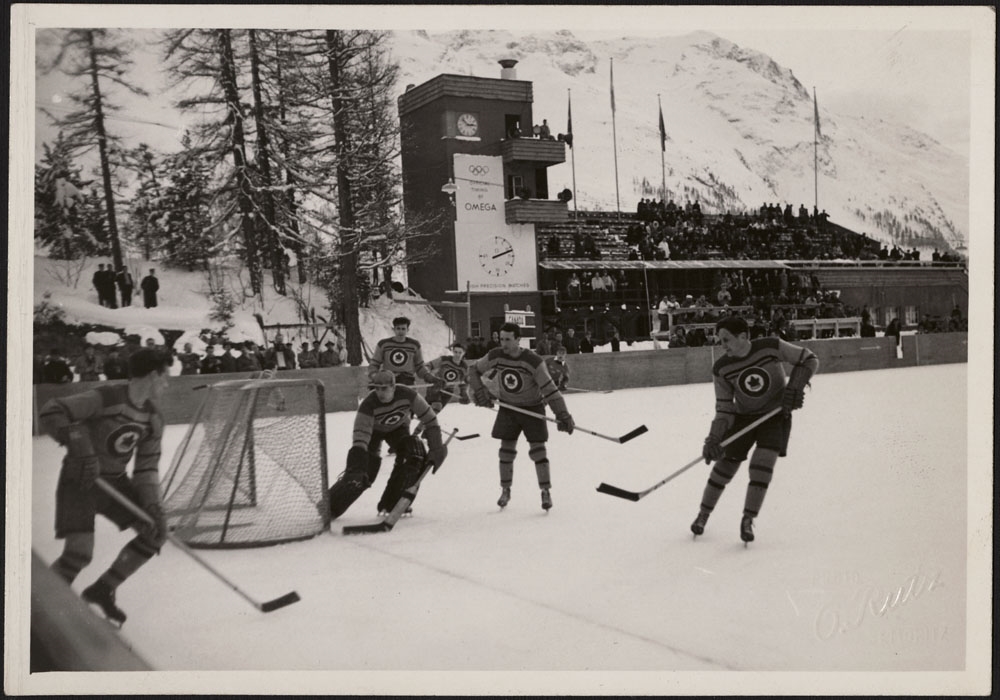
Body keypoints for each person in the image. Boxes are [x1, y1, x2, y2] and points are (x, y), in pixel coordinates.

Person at [39, 348, 172, 626]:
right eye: (165, 376)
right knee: (79, 554)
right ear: (152, 374)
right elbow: (53, 410)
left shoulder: (154, 419)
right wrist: (79, 445)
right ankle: (40, 610)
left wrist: (152, 505)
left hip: (115, 482)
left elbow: (146, 469)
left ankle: (102, 590)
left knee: (154, 532)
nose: (167, 383)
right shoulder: (107, 397)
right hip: (81, 480)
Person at [691, 316, 819, 543]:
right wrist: (715, 437)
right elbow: (724, 408)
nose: (722, 346)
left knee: (762, 465)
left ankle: (748, 519)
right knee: (724, 468)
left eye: (726, 339)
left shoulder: (771, 347)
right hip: (743, 419)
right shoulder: (721, 368)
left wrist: (796, 385)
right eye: (720, 340)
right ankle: (703, 514)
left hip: (774, 416)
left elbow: (809, 359)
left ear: (743, 336)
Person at [467, 323, 575, 511]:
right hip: (508, 408)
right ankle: (505, 490)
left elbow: (549, 389)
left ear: (518, 340)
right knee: (506, 451)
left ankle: (545, 491)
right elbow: (473, 370)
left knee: (538, 451)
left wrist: (562, 414)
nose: (504, 344)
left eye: (508, 339)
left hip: (532, 409)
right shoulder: (496, 355)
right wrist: (480, 390)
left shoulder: (533, 361)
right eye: (501, 339)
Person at [327, 370, 447, 519]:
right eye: (376, 388)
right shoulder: (368, 405)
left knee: (414, 454)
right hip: (373, 433)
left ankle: (394, 503)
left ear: (393, 386)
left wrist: (436, 447)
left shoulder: (408, 395)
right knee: (362, 474)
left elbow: (430, 418)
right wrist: (357, 462)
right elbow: (361, 436)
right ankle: (329, 506)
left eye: (384, 388)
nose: (379, 393)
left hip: (398, 429)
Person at [367, 317, 439, 387]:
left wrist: (429, 377)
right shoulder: (384, 344)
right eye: (398, 328)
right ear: (393, 329)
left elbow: (419, 367)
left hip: (407, 381)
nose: (400, 331)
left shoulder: (414, 345)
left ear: (408, 330)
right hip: (388, 381)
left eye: (403, 329)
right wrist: (375, 376)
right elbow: (374, 364)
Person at [425, 342, 471, 413]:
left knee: (434, 412)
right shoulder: (444, 360)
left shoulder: (464, 367)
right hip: (436, 387)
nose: (457, 355)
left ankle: (426, 423)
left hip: (448, 391)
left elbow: (464, 382)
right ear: (452, 351)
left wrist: (464, 393)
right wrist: (429, 376)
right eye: (455, 352)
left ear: (464, 353)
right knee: (436, 406)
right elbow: (428, 365)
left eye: (460, 352)